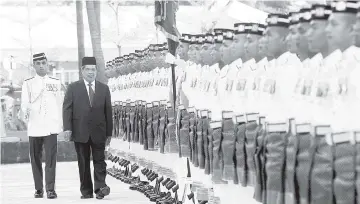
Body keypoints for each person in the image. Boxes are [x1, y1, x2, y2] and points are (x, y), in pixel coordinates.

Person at [62, 56, 113, 199]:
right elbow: (67, 108)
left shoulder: (104, 88)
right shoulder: (73, 88)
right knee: (83, 162)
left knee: (100, 161)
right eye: (88, 69)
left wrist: (109, 132)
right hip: (80, 131)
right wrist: (67, 128)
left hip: (99, 131)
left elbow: (108, 111)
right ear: (82, 71)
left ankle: (100, 188)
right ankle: (86, 191)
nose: (91, 72)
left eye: (94, 69)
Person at [20, 52, 63, 199]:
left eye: (43, 63)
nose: (41, 66)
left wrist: (60, 124)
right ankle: (39, 188)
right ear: (34, 66)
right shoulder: (28, 83)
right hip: (35, 125)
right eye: (38, 64)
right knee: (35, 158)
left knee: (51, 159)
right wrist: (26, 116)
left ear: (47, 63)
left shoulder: (55, 82)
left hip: (51, 125)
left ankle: (50, 189)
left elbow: (59, 104)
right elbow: (24, 103)